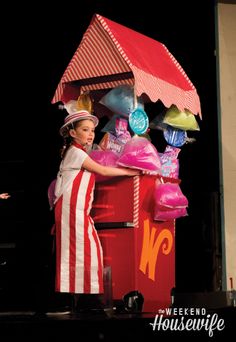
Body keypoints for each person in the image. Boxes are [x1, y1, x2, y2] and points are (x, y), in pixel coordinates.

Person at [53, 108, 140, 313]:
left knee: (84, 252)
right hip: (71, 209)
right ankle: (85, 299)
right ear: (73, 133)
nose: (90, 133)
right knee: (86, 251)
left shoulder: (78, 151)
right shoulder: (74, 152)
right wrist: (129, 171)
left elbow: (96, 150)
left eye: (92, 130)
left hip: (75, 209)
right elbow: (101, 169)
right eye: (85, 129)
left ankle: (84, 299)